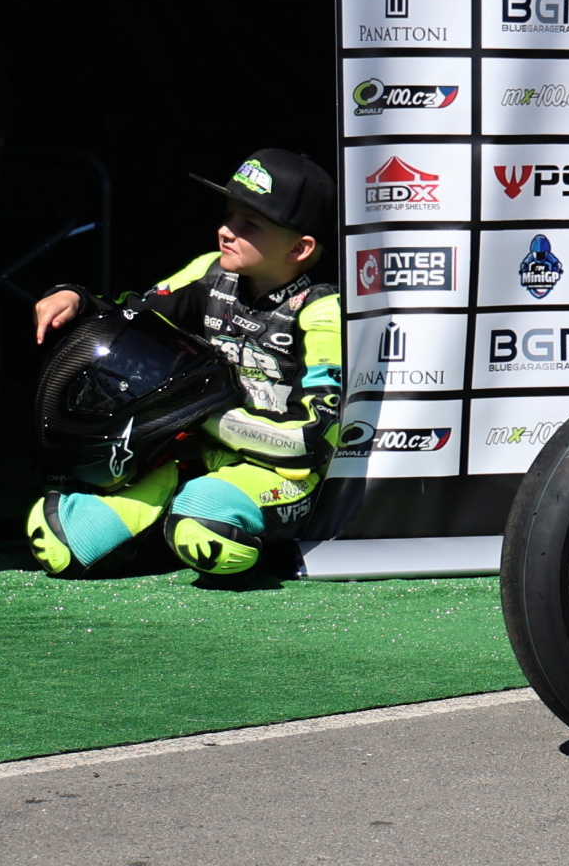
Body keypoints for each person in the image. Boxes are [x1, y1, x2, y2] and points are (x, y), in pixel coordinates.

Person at [24, 149, 342, 579]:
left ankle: (189, 524)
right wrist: (77, 299)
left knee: (204, 529)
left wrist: (201, 414)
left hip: (283, 474)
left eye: (250, 224)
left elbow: (314, 439)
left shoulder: (324, 311)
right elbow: (133, 318)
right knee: (65, 540)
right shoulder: (210, 272)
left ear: (300, 248)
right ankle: (167, 526)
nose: (226, 230)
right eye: (229, 215)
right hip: (196, 458)